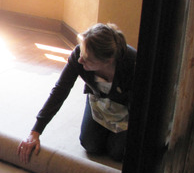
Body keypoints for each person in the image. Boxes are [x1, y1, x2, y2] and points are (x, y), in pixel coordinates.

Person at [18, 23, 136, 163]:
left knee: (117, 153)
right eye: (81, 54)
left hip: (126, 109)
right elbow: (60, 90)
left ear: (108, 61)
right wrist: (35, 131)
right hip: (98, 100)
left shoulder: (132, 65)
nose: (80, 60)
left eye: (87, 59)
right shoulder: (80, 54)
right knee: (91, 145)